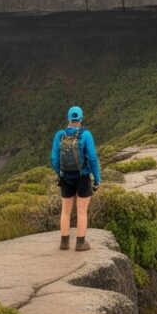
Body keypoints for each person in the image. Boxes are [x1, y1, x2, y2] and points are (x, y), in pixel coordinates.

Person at [51, 105, 101, 251]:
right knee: (81, 211)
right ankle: (80, 243)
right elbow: (92, 158)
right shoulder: (86, 135)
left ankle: (64, 242)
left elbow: (54, 159)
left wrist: (60, 173)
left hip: (66, 177)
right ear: (81, 118)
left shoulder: (59, 135)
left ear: (68, 118)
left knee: (65, 211)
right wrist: (97, 179)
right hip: (83, 177)